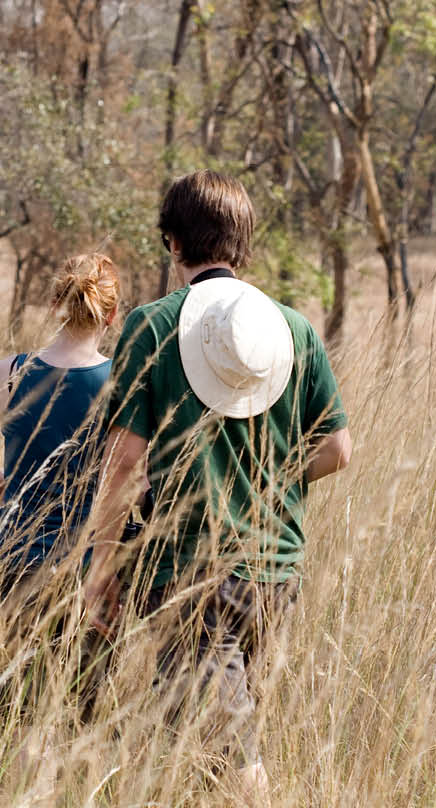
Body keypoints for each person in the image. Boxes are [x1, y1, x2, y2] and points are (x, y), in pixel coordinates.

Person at [80, 170, 353, 797]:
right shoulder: (295, 329)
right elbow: (338, 449)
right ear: (242, 242)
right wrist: (270, 473)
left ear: (173, 243)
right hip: (279, 572)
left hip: (190, 575)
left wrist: (100, 569)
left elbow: (124, 465)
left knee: (232, 755)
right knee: (204, 742)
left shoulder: (151, 326)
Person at [0, 253, 122, 596]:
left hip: (13, 559)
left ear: (54, 306)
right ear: (111, 314)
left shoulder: (11, 372)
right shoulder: (120, 381)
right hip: (85, 568)